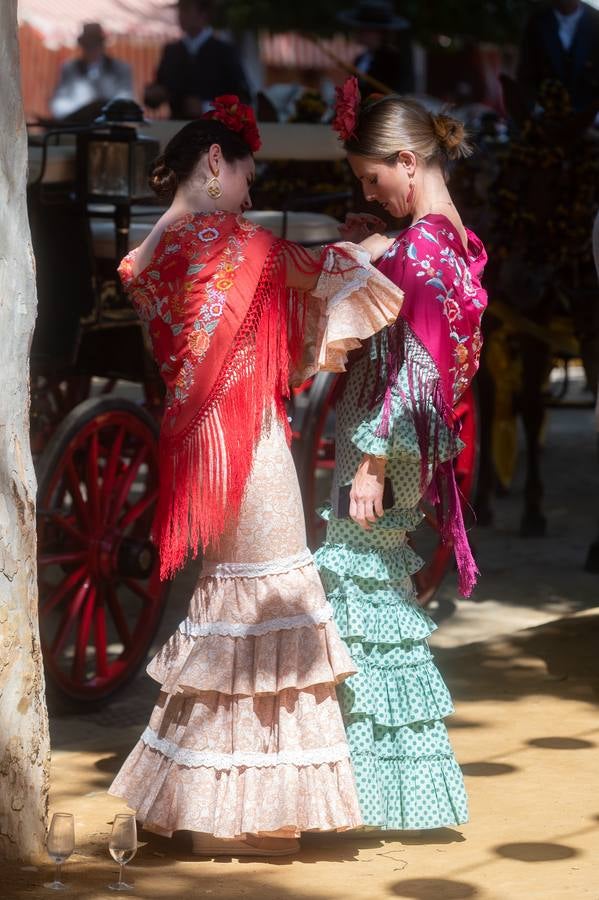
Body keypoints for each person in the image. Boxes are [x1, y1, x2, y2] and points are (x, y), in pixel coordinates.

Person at [109, 95, 404, 855]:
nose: (248, 192)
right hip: (248, 440)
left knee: (228, 606)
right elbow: (321, 278)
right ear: (215, 162)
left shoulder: (145, 255)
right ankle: (255, 813)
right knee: (273, 596)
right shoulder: (232, 243)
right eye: (246, 175)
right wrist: (375, 250)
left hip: (195, 445)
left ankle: (206, 802)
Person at [315, 78, 487, 830]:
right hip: (400, 437)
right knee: (373, 601)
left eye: (372, 177)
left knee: (368, 605)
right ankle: (384, 790)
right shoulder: (448, 237)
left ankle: (378, 791)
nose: (371, 191)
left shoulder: (423, 246)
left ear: (406, 160)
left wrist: (374, 460)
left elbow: (420, 365)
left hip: (385, 440)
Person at [144, 0, 250, 118]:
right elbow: (159, 92)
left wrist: (206, 107)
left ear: (203, 14)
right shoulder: (171, 51)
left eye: (186, 9)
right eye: (180, 10)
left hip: (214, 130)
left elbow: (243, 99)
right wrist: (153, 95)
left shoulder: (224, 52)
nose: (180, 15)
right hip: (177, 129)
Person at [516, 0, 599, 112]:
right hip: (547, 113)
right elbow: (525, 74)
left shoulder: (595, 21)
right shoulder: (536, 22)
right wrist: (535, 108)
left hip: (590, 114)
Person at [50, 23, 133, 122]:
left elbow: (125, 99)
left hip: (109, 125)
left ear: (102, 45)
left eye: (94, 44)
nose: (91, 49)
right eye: (87, 45)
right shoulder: (70, 68)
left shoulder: (120, 68)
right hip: (78, 125)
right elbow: (59, 103)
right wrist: (83, 111)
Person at [337, 0, 414, 95]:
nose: (359, 32)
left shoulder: (392, 60)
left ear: (378, 33)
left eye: (364, 29)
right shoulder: (360, 58)